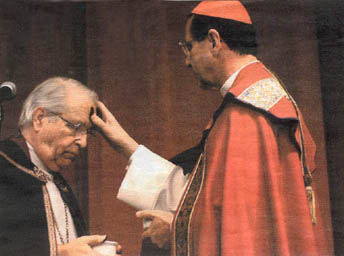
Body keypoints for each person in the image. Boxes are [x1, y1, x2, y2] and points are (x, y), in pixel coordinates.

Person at [92, 1, 332, 256]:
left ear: (214, 40)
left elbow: (239, 230)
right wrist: (125, 145)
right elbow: (205, 197)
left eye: (188, 47)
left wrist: (175, 228)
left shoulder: (245, 115)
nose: (186, 61)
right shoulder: (259, 99)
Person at [0, 77, 116, 256]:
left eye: (87, 132)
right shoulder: (4, 165)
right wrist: (59, 253)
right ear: (40, 118)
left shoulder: (56, 181)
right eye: (75, 127)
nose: (83, 142)